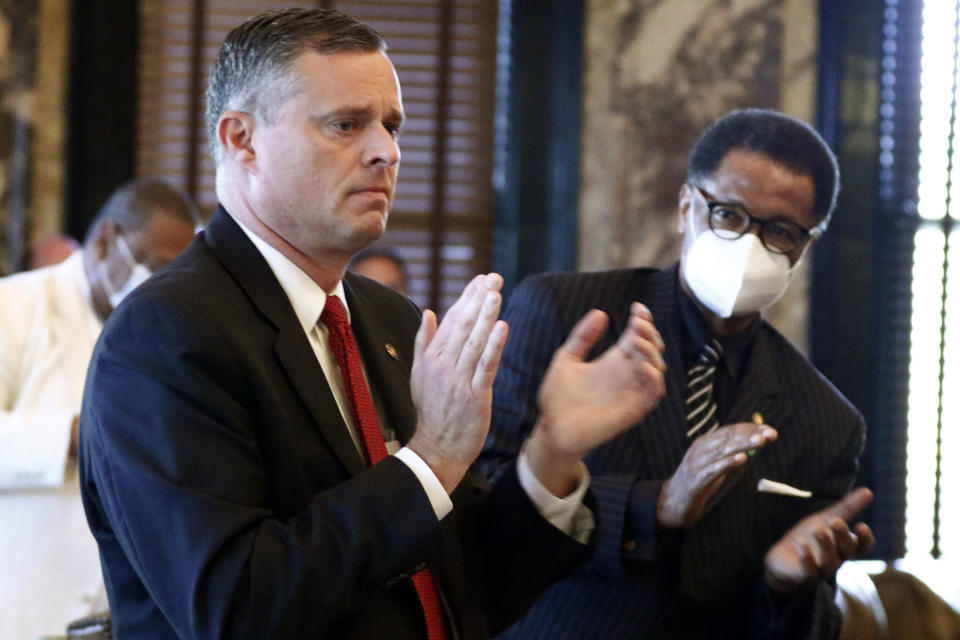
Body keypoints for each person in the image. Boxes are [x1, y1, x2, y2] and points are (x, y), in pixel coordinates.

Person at [78, 9, 668, 639]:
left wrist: (552, 452)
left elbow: (465, 592)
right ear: (241, 140)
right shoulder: (164, 332)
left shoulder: (389, 318)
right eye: (346, 124)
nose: (386, 151)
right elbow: (236, 607)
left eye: (391, 125)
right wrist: (432, 457)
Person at [481, 109, 875, 639]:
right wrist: (654, 505)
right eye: (728, 215)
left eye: (778, 230)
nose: (748, 244)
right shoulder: (569, 315)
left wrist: (784, 583)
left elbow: (807, 627)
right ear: (686, 206)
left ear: (804, 246)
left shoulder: (825, 420)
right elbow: (484, 501)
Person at [0, 177, 198, 640]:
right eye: (154, 267)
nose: (161, 286)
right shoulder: (15, 305)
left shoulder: (172, 335)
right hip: (22, 595)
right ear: (106, 241)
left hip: (124, 609)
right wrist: (77, 435)